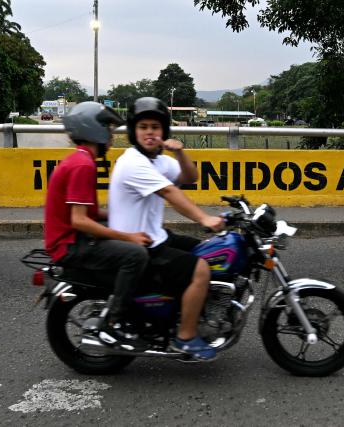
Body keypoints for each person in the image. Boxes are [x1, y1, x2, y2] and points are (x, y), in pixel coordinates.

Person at [108, 97, 225, 361]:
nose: (150, 132)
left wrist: (180, 152)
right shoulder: (133, 162)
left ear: (164, 131)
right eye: (144, 127)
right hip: (138, 245)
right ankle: (185, 338)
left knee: (207, 251)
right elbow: (171, 192)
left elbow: (190, 178)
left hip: (156, 236)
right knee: (200, 270)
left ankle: (187, 309)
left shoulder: (159, 160)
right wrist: (204, 219)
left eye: (156, 127)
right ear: (133, 131)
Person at [44, 101, 153, 350]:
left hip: (72, 238)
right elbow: (80, 220)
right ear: (94, 130)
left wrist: (129, 217)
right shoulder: (83, 165)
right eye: (108, 129)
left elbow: (92, 212)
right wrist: (128, 237)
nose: (111, 137)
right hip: (71, 244)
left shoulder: (79, 160)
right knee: (135, 255)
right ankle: (114, 323)